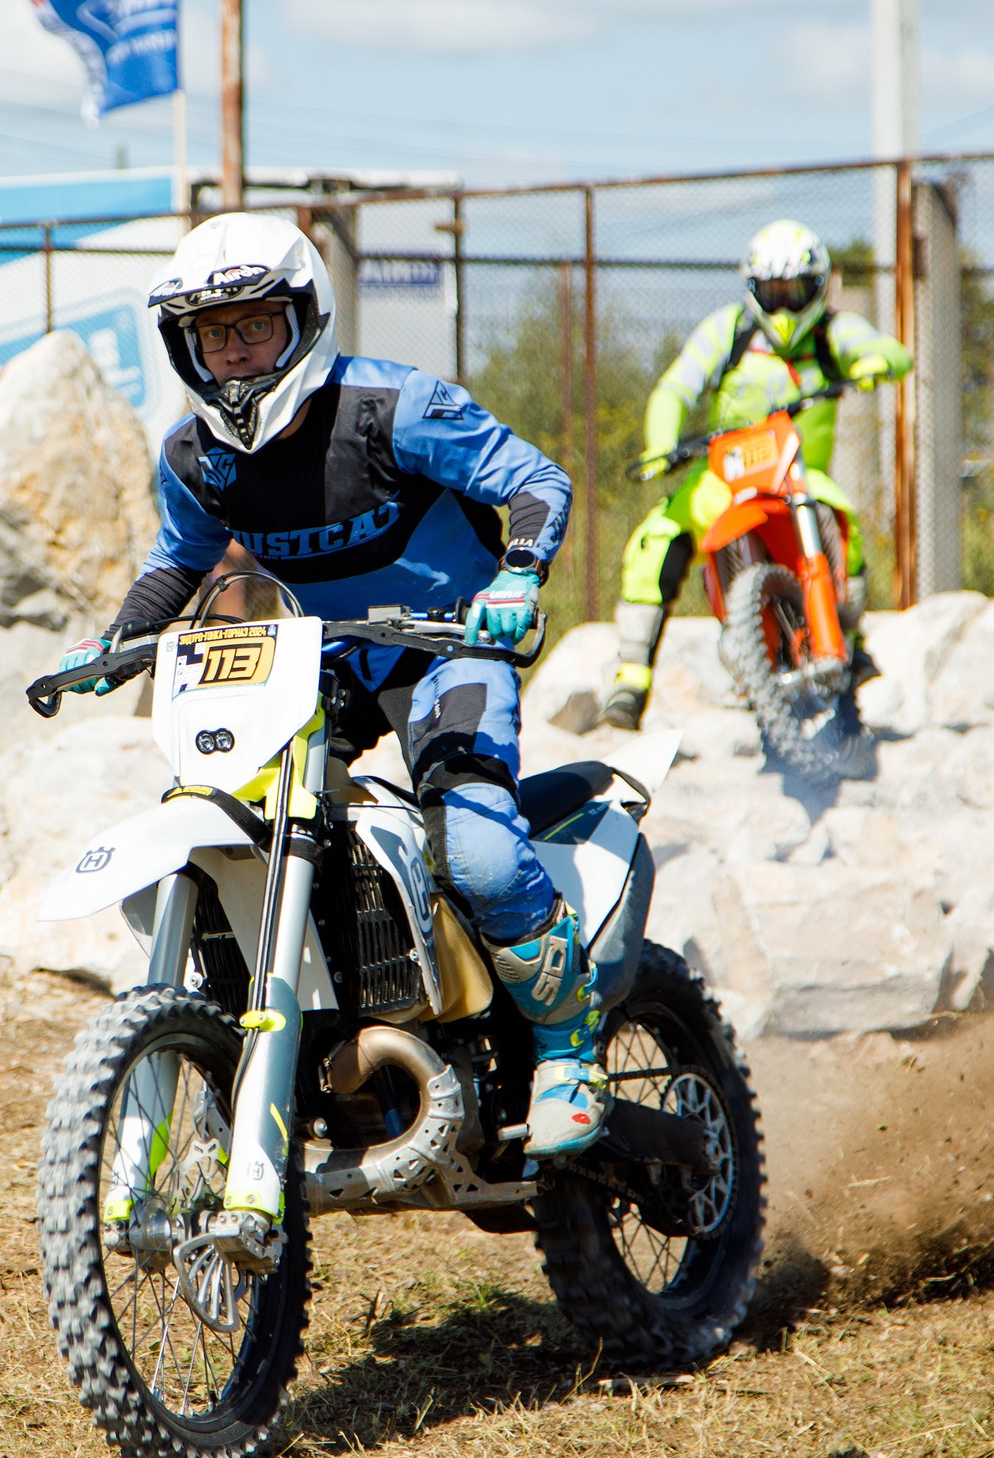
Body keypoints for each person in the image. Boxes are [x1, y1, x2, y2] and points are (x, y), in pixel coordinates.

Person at [49, 213, 607, 1159]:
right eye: (211, 334)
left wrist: (516, 576)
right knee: (239, 824)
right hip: (322, 655)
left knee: (470, 847)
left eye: (254, 325)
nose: (233, 352)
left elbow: (534, 479)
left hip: (449, 644)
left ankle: (566, 1052)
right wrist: (116, 641)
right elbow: (178, 559)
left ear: (303, 320)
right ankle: (311, 1036)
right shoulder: (193, 456)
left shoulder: (396, 407)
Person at [596, 220, 911, 732]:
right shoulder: (729, 330)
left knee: (843, 529)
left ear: (820, 285)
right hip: (724, 475)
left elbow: (895, 353)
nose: (785, 306)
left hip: (800, 477)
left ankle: (849, 647)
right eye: (773, 292)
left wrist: (875, 362)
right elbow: (676, 388)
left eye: (796, 291)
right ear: (753, 289)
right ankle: (631, 680)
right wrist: (661, 444)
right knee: (655, 542)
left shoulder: (833, 333)